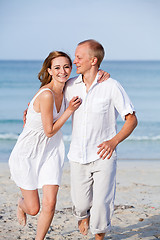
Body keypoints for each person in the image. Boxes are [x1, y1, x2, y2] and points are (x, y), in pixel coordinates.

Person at [64, 39, 138, 240]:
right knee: (80, 204)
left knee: (102, 203)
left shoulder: (112, 86)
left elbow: (131, 120)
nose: (75, 60)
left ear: (93, 60)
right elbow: (51, 101)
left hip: (104, 156)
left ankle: (99, 236)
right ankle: (82, 216)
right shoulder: (70, 86)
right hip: (78, 155)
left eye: (79, 57)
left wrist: (113, 142)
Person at [8, 51, 82, 240]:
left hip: (51, 151)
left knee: (50, 204)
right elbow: (49, 130)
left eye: (66, 66)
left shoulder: (67, 87)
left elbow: (88, 76)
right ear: (49, 70)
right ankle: (20, 203)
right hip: (28, 153)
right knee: (34, 209)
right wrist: (70, 110)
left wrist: (102, 73)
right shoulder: (47, 94)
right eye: (57, 67)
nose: (62, 71)